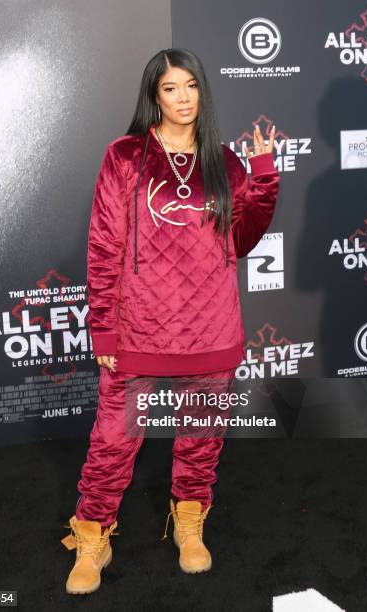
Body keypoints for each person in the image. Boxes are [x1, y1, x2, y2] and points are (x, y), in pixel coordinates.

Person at [60, 47, 280, 595]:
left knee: (201, 436)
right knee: (113, 439)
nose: (183, 99)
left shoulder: (224, 162)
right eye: (170, 89)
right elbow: (105, 244)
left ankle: (189, 522)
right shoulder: (126, 156)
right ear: (153, 96)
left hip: (211, 325)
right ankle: (93, 535)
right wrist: (104, 326)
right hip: (139, 328)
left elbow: (242, 240)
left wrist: (263, 175)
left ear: (203, 92)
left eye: (191, 87)